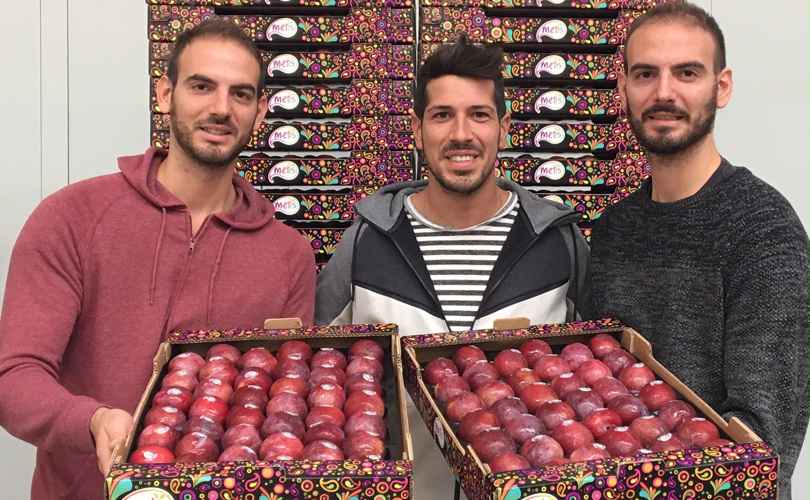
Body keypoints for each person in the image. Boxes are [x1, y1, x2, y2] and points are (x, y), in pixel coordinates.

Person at [0, 19, 315, 500]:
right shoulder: (72, 217)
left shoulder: (289, 255)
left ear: (260, 113)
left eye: (240, 94)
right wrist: (92, 421)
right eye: (201, 86)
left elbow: (281, 402)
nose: (220, 108)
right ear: (166, 94)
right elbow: (15, 376)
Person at [316, 38, 592, 500]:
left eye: (479, 115)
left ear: (504, 128)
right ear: (417, 129)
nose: (461, 134)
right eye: (442, 115)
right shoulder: (365, 242)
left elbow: (592, 376)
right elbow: (319, 370)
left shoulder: (558, 242)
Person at [589, 4, 808, 499]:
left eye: (687, 73)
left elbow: (762, 443)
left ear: (721, 87)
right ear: (623, 88)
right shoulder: (613, 229)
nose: (664, 92)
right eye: (645, 73)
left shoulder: (764, 228)